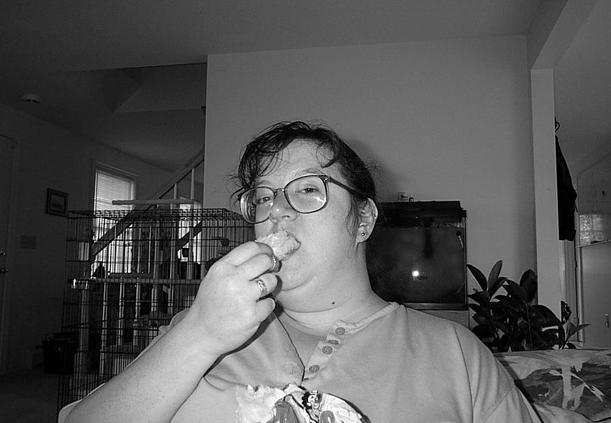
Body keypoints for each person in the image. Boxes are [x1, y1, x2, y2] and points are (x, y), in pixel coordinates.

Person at [61, 121, 541, 422]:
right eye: (263, 197)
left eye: (308, 189)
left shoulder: (456, 353)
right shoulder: (199, 330)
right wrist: (199, 335)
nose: (276, 211)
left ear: (364, 220)